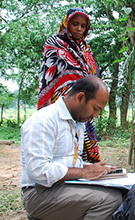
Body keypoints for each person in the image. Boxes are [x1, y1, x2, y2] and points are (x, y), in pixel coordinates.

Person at [21, 76, 123, 220]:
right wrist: (83, 172)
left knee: (125, 193)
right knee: (110, 200)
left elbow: (69, 163)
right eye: (95, 109)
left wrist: (93, 169)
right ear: (80, 97)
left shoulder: (77, 123)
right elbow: (39, 172)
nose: (96, 115)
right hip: (38, 193)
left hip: (64, 187)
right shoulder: (44, 121)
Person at [38, 7, 101, 163]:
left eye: (83, 26)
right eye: (75, 24)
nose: (79, 29)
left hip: (85, 100)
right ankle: (61, 170)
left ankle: (85, 168)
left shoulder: (85, 48)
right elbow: (49, 73)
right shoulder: (55, 42)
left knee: (84, 137)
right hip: (61, 100)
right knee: (63, 138)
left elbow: (92, 73)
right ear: (67, 23)